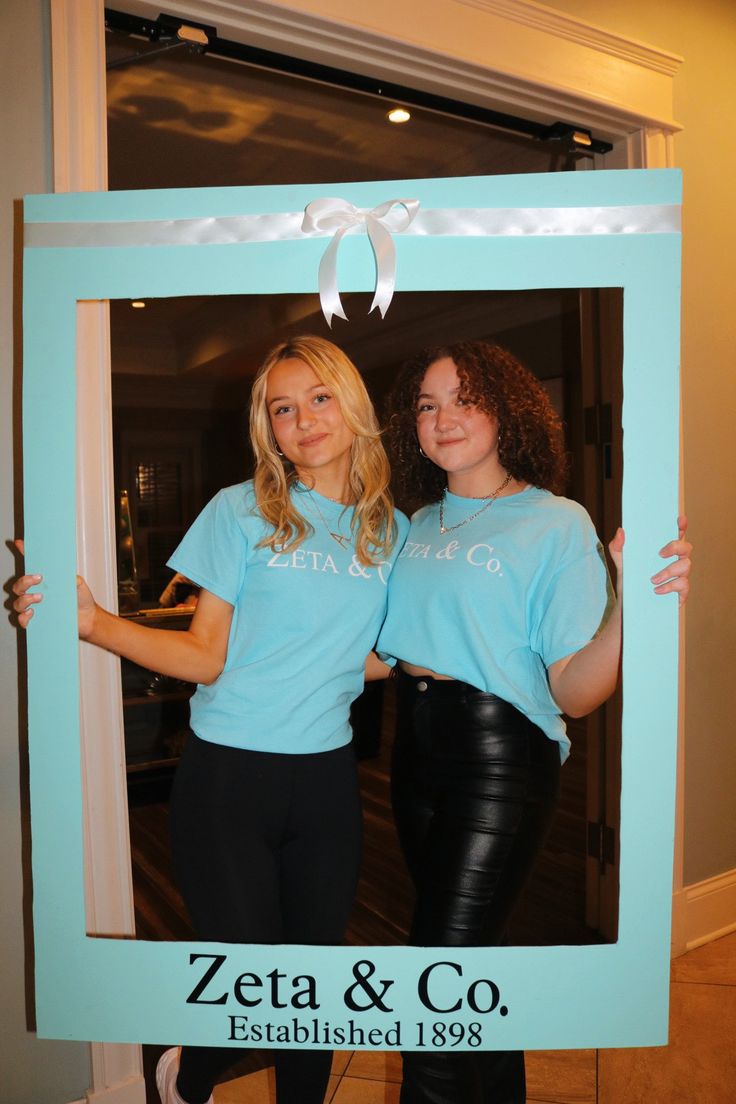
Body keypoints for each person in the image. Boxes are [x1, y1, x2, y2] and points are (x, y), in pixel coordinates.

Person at [13, 335, 408, 1104]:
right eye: (282, 408)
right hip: (230, 775)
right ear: (268, 427)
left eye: (318, 398)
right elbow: (205, 653)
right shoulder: (243, 510)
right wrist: (93, 623)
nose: (304, 420)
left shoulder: (388, 531)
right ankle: (184, 1079)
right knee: (254, 983)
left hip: (326, 780)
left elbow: (377, 655)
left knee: (313, 988)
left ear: (352, 405)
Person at [374, 340, 692, 1104]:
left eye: (464, 398)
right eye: (427, 403)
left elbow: (575, 693)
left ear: (507, 409)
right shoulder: (414, 525)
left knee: (433, 991)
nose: (443, 417)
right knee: (473, 971)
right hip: (412, 752)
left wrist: (632, 610)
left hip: (498, 760)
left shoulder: (553, 521)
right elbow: (382, 656)